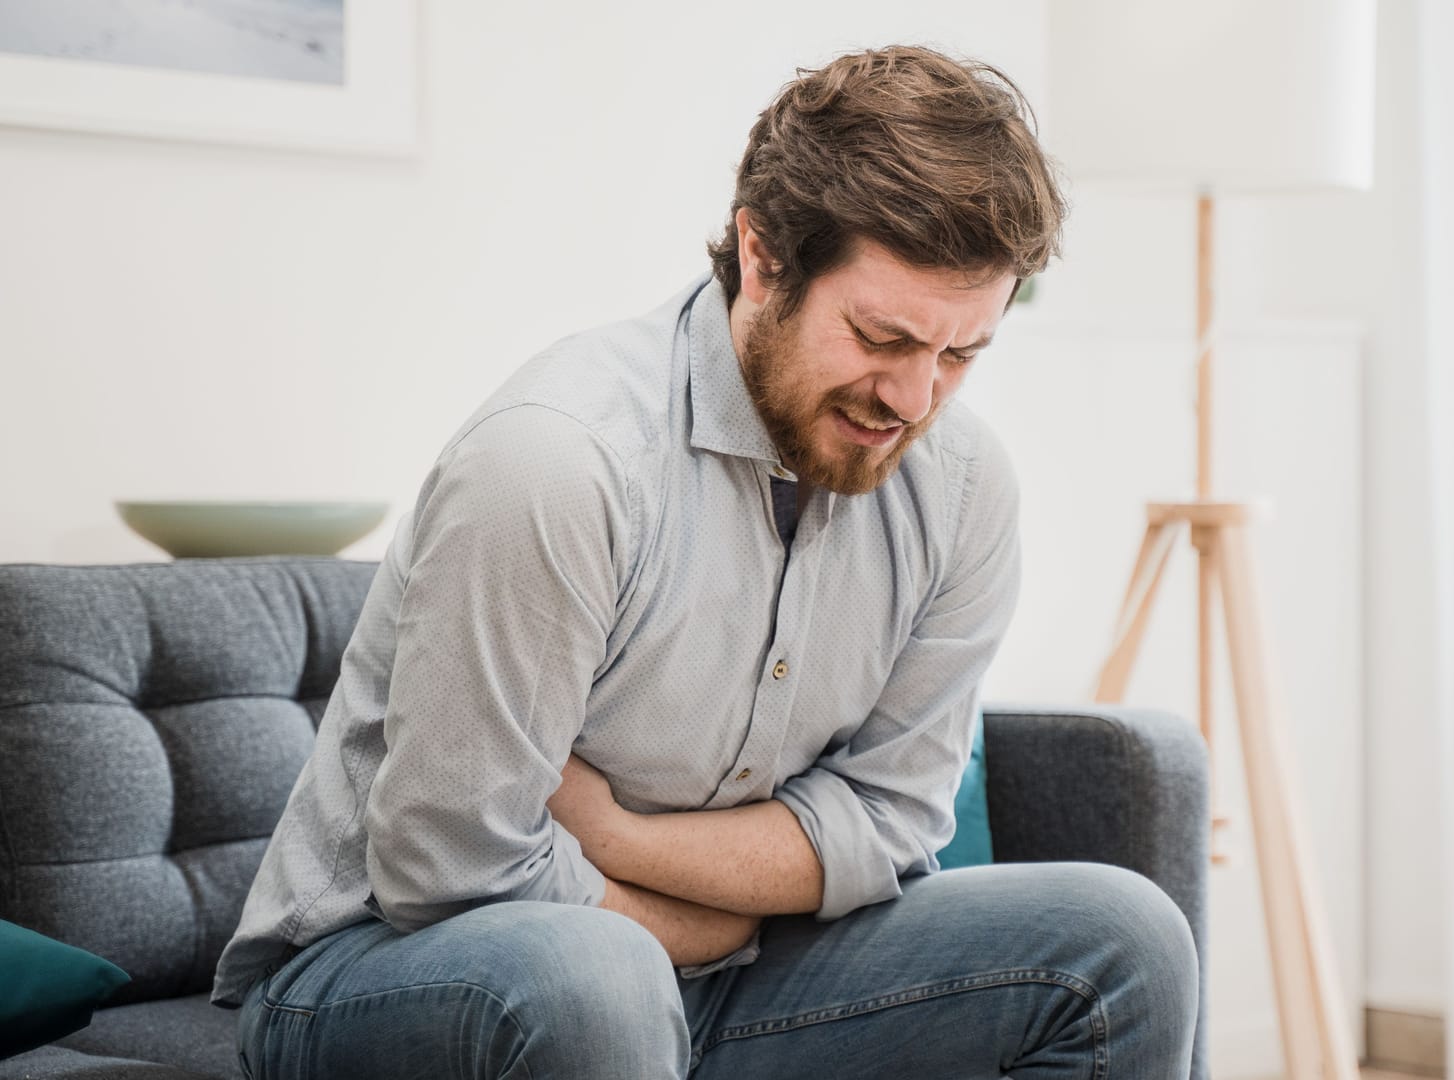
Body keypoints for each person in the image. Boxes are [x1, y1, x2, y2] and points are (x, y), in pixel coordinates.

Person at [211, 44, 1200, 1079]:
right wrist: (710, 926)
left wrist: (622, 840)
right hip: (388, 971)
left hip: (704, 968)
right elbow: (449, 872)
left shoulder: (958, 487)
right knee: (594, 981)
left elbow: (892, 823)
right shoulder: (558, 463)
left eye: (958, 355)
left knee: (1123, 942)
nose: (914, 399)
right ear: (763, 257)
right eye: (881, 337)